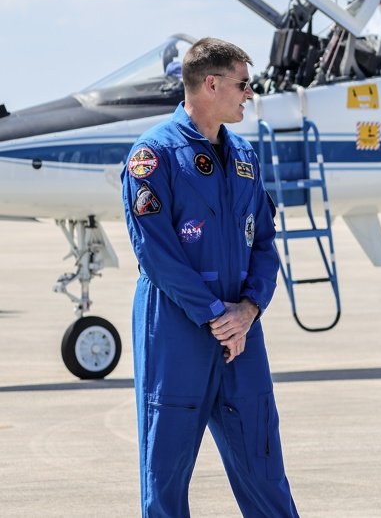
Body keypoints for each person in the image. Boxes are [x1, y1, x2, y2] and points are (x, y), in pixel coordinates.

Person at [121, 37, 299, 516]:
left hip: (242, 330)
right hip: (176, 329)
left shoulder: (245, 157)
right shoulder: (153, 156)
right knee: (166, 472)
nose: (249, 95)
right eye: (243, 84)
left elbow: (263, 242)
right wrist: (214, 314)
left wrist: (249, 309)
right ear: (212, 83)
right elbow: (155, 252)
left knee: (263, 463)